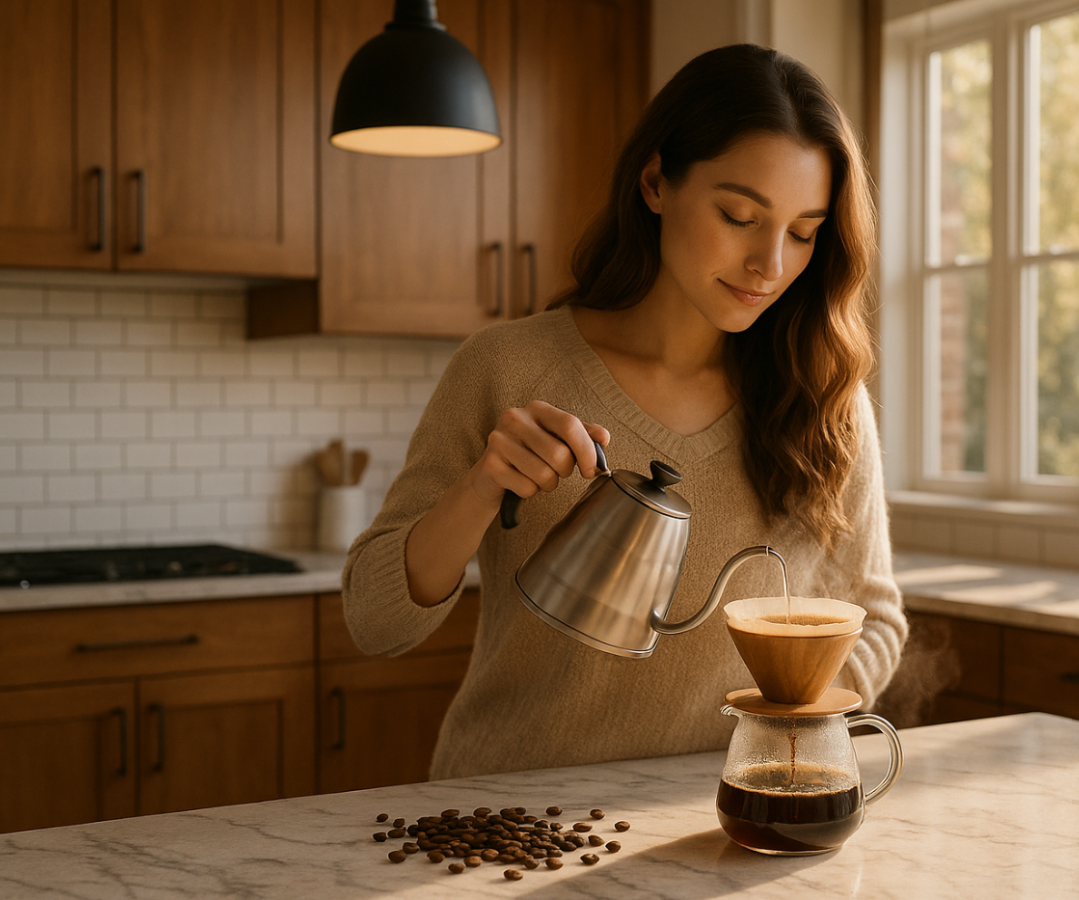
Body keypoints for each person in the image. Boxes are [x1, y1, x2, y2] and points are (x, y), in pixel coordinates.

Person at [343, 43, 907, 781]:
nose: (771, 263)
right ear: (655, 183)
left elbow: (875, 617)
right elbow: (374, 621)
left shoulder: (824, 399)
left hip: (718, 825)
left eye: (803, 232)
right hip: (506, 816)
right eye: (740, 215)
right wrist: (481, 488)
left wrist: (776, 733)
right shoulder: (507, 367)